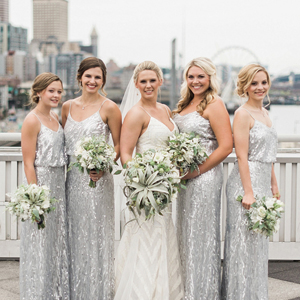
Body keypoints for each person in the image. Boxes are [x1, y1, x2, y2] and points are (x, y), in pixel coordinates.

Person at [114, 61, 184, 300]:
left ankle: (162, 291)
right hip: (146, 190)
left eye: (152, 80)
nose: (148, 85)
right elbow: (126, 154)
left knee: (162, 235)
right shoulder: (135, 114)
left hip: (167, 188)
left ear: (160, 82)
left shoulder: (165, 110)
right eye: (143, 81)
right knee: (145, 239)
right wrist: (142, 184)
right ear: (135, 84)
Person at [173, 57, 233, 299]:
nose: (195, 81)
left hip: (205, 178)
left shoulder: (215, 104)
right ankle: (188, 290)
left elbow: (226, 146)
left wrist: (195, 171)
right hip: (185, 180)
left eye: (200, 76)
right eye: (191, 76)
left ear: (210, 78)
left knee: (202, 237)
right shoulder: (183, 105)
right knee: (186, 236)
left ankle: (203, 293)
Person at [62, 57, 122, 299]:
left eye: (98, 77)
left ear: (103, 80)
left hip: (97, 181)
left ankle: (98, 291)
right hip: (72, 181)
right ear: (80, 78)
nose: (92, 81)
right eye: (88, 76)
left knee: (96, 235)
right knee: (74, 234)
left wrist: (103, 164)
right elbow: (62, 142)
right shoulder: (66, 106)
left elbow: (118, 145)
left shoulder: (109, 107)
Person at [221, 64, 279, 300]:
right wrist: (248, 192)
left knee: (257, 245)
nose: (260, 87)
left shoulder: (266, 113)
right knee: (242, 246)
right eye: (254, 83)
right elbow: (242, 155)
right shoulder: (243, 114)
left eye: (263, 82)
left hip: (263, 182)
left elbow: (268, 153)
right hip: (246, 185)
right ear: (244, 86)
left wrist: (274, 183)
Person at [20, 73, 69, 299]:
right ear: (38, 92)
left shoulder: (55, 119)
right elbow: (28, 163)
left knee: (54, 244)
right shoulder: (32, 120)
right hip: (43, 185)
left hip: (60, 185)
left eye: (59, 91)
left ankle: (53, 292)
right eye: (51, 91)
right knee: (40, 244)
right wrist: (37, 200)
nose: (56, 95)